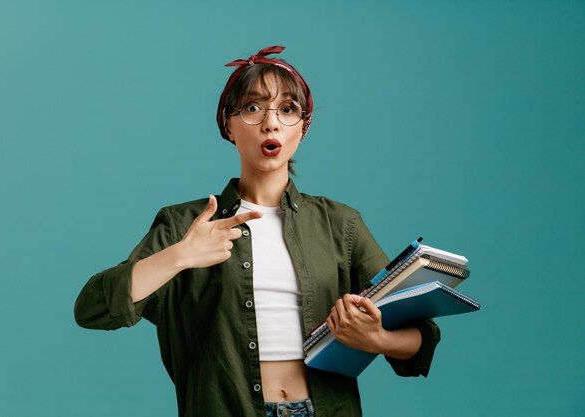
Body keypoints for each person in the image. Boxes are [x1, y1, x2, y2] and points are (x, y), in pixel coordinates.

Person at [74, 45, 440, 417]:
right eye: (252, 108)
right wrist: (180, 256)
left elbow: (420, 335)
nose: (271, 123)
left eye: (287, 110)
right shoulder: (184, 225)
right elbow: (93, 309)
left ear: (303, 127)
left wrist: (376, 338)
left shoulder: (339, 224)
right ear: (228, 125)